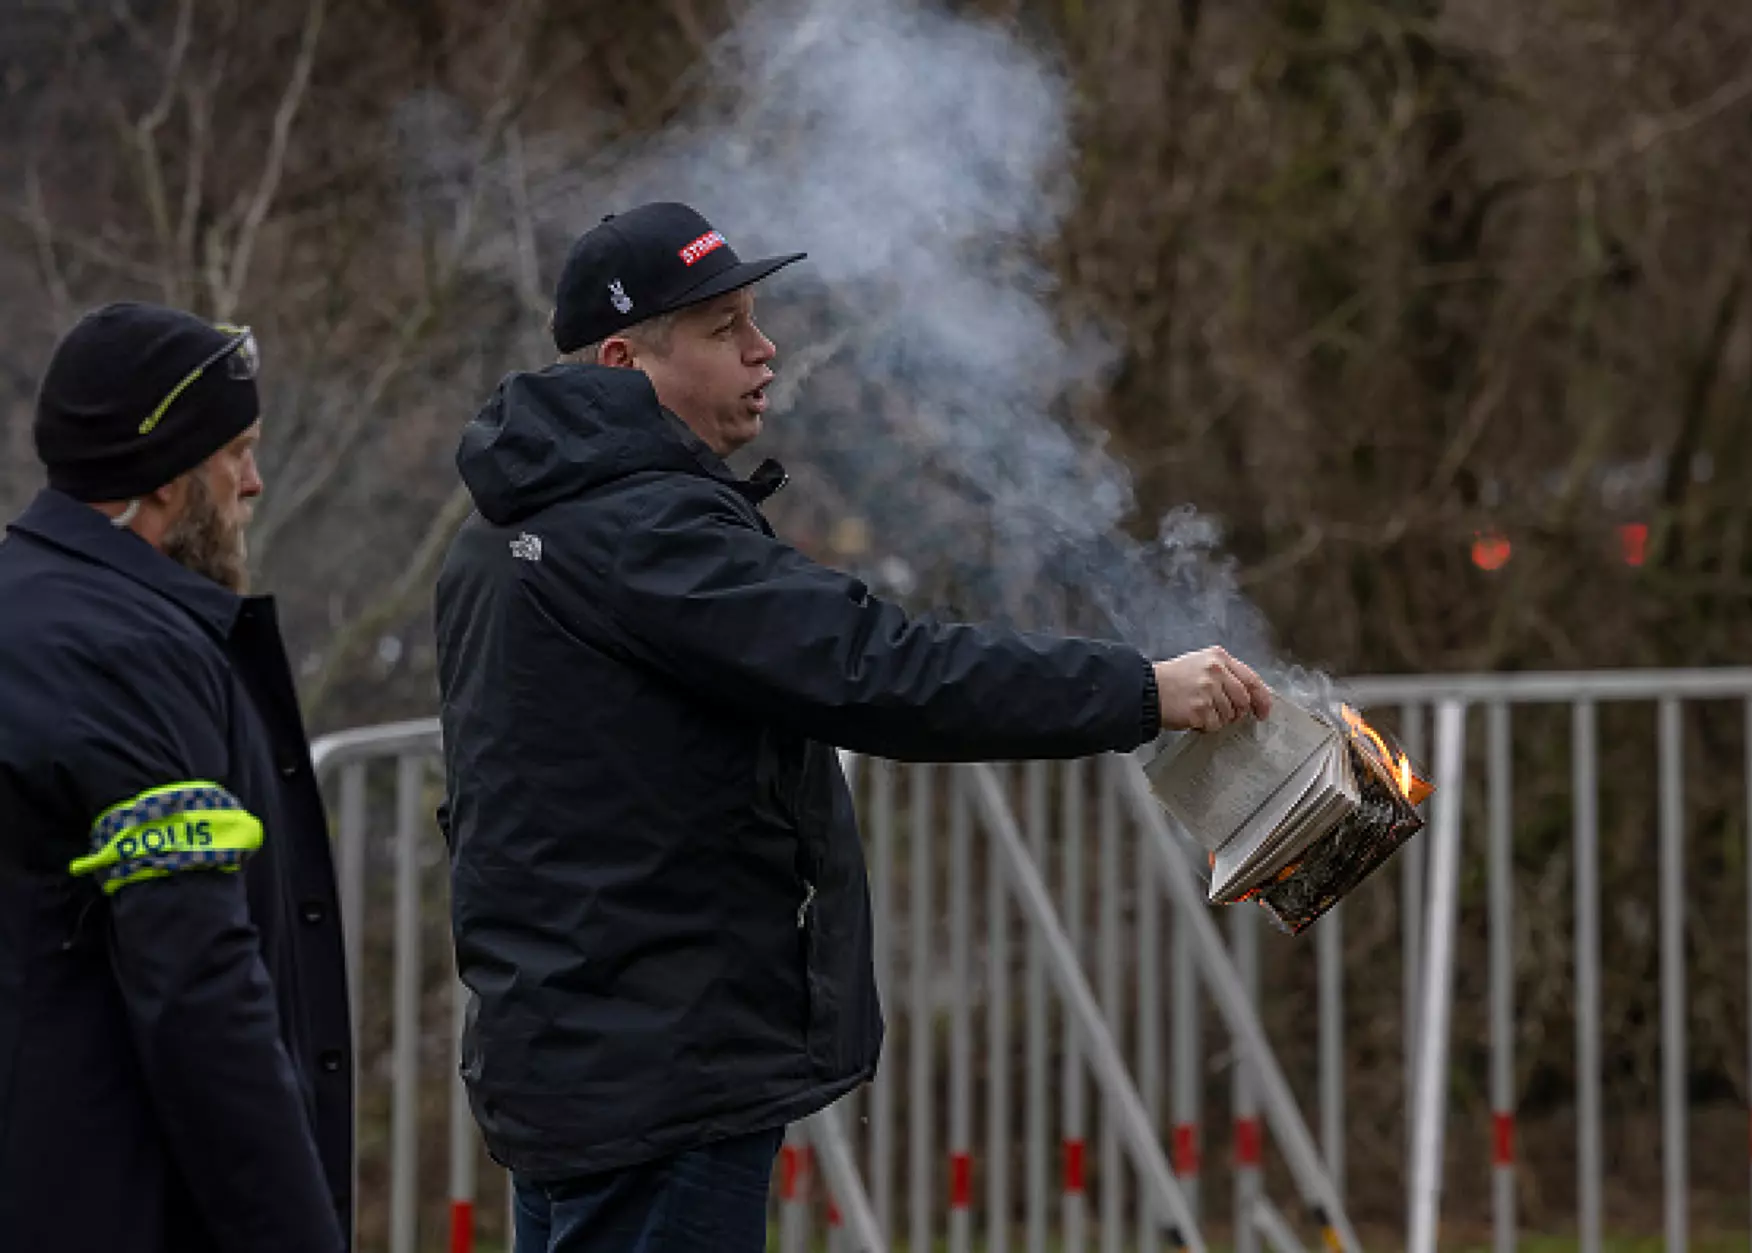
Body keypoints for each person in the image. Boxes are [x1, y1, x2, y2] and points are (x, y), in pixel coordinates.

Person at [433, 201, 1271, 1253]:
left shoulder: (508, 526)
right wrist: (1140, 690)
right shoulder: (644, 531)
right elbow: (881, 670)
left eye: (754, 315)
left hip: (571, 1050)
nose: (761, 345)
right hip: (661, 1064)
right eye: (721, 326)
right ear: (619, 360)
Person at [0, 303, 353, 1252]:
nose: (254, 482)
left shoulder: (25, 604)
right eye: (236, 451)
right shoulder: (123, 654)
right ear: (167, 478)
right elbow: (197, 982)